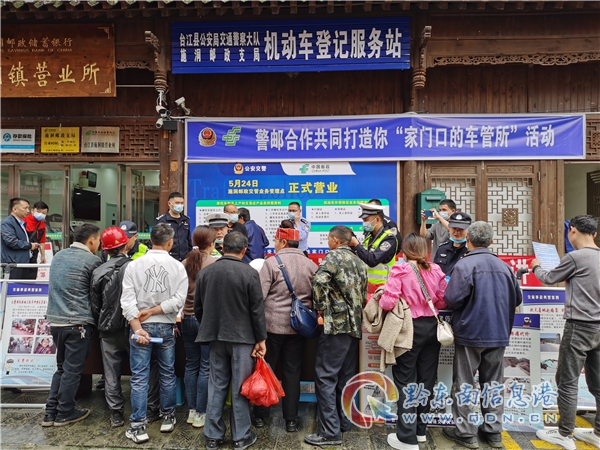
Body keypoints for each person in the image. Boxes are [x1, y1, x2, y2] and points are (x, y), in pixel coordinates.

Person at [443, 221, 522, 449]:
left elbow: (452, 299)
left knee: (465, 383)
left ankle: (466, 433)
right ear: (491, 241)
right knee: (493, 384)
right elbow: (517, 298)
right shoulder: (505, 267)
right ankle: (493, 432)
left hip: (470, 332)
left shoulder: (464, 265)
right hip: (498, 332)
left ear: (467, 240)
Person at [531, 215, 600, 450]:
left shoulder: (576, 257)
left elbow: (549, 278)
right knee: (598, 382)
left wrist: (536, 266)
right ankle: (598, 432)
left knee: (567, 381)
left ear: (572, 230)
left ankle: (564, 433)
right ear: (594, 234)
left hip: (579, 326)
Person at [194, 231, 267, 450]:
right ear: (244, 250)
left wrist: (210, 326)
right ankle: (241, 436)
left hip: (215, 337)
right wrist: (261, 339)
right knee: (240, 388)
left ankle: (212, 436)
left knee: (216, 386)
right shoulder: (249, 273)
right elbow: (257, 310)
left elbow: (198, 308)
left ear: (223, 247)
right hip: (243, 339)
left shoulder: (206, 272)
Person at [120, 223, 188, 444]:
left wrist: (138, 327)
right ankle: (168, 416)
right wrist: (156, 310)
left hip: (140, 328)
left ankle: (138, 426)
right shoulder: (178, 267)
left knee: (140, 377)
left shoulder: (134, 265)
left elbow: (127, 301)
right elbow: (179, 300)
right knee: (167, 373)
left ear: (150, 240)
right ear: (170, 242)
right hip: (166, 327)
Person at [379, 233, 447, 450]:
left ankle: (406, 438)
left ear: (405, 251)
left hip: (409, 329)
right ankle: (420, 432)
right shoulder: (436, 270)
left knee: (406, 381)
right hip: (432, 328)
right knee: (426, 381)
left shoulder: (400, 270)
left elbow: (387, 303)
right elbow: (442, 300)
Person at [305, 226, 368, 447]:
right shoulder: (359, 261)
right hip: (354, 326)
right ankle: (343, 422)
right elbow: (363, 294)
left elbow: (319, 281)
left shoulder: (333, 257)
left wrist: (322, 309)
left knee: (325, 376)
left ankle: (329, 433)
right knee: (345, 377)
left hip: (336, 326)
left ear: (334, 240)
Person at [252, 227, 318, 432]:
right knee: (292, 372)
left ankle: (261, 415)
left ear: (283, 242)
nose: (274, 244)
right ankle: (291, 419)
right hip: (299, 328)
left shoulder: (271, 263)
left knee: (266, 370)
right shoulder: (311, 265)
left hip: (271, 327)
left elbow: (259, 297)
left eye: (276, 240)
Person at [42, 223, 102, 427]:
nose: (99, 244)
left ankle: (50, 412)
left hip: (56, 322)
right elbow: (96, 295)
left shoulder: (58, 256)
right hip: (78, 324)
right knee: (72, 370)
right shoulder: (92, 261)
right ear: (92, 240)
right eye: (98, 240)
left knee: (61, 368)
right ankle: (65, 412)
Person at [90, 226, 134, 428]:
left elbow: (95, 305)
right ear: (126, 245)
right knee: (140, 370)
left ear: (105, 249)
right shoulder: (134, 267)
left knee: (110, 373)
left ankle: (116, 413)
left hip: (107, 329)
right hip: (131, 326)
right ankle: (145, 409)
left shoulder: (98, 271)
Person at [181, 225, 217, 429]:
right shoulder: (213, 264)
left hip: (186, 319)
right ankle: (201, 413)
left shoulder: (185, 262)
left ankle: (191, 410)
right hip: (205, 320)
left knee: (191, 364)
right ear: (211, 243)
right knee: (205, 367)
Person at [349, 203, 399, 294]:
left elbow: (373, 260)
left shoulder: (389, 239)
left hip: (382, 290)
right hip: (367, 288)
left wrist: (356, 244)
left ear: (377, 219)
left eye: (366, 220)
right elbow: (363, 255)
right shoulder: (369, 237)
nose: (364, 223)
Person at [1, 197, 41, 280]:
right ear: (15, 209)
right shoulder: (7, 223)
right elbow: (11, 242)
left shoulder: (21, 223)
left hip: (24, 262)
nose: (28, 211)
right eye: (25, 208)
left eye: (28, 208)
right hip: (14, 264)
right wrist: (30, 245)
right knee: (15, 287)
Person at [154, 191, 192, 261]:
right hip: (168, 259)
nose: (180, 205)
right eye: (177, 203)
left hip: (184, 259)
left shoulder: (185, 220)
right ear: (169, 203)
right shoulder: (162, 221)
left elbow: (188, 240)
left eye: (182, 203)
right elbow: (155, 241)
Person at [23, 200, 49, 279]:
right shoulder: (24, 221)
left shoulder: (42, 224)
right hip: (23, 253)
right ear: (32, 210)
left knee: (32, 276)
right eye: (38, 211)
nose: (41, 214)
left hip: (34, 254)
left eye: (44, 213)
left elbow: (42, 241)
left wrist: (43, 256)